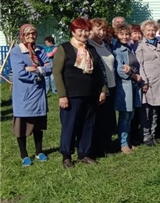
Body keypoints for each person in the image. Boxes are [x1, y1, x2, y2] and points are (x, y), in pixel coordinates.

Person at [53, 18, 106, 168]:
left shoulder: (91, 49)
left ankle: (84, 153)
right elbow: (57, 73)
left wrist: (102, 90)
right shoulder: (64, 48)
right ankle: (67, 155)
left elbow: (98, 72)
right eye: (80, 30)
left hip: (90, 94)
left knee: (88, 125)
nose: (84, 33)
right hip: (72, 95)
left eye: (86, 30)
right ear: (73, 32)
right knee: (70, 125)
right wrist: (62, 95)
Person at [11, 24, 52, 167]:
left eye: (33, 34)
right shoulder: (16, 52)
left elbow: (49, 67)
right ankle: (24, 155)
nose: (31, 37)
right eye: (28, 34)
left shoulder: (40, 50)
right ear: (22, 35)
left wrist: (36, 69)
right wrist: (38, 74)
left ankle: (39, 151)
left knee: (38, 125)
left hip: (39, 94)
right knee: (21, 126)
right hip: (24, 94)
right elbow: (20, 73)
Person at [113, 23, 145, 154]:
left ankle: (128, 140)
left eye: (127, 34)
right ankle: (123, 143)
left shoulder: (130, 47)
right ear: (117, 35)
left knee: (131, 115)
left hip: (133, 86)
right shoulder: (117, 50)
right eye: (122, 34)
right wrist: (133, 75)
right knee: (124, 115)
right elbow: (120, 70)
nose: (125, 36)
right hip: (124, 87)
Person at [88, 18, 117, 157]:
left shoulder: (105, 44)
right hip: (98, 89)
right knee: (97, 120)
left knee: (107, 119)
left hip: (111, 86)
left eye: (104, 29)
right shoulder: (88, 46)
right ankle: (94, 148)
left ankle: (106, 146)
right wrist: (101, 89)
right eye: (98, 29)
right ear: (91, 30)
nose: (101, 32)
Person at [136, 20, 160, 146]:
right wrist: (144, 82)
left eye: (153, 30)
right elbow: (140, 65)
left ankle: (153, 135)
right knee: (146, 111)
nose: (151, 32)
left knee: (155, 110)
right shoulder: (140, 46)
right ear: (143, 32)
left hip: (159, 81)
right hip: (147, 82)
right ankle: (146, 136)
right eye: (148, 30)